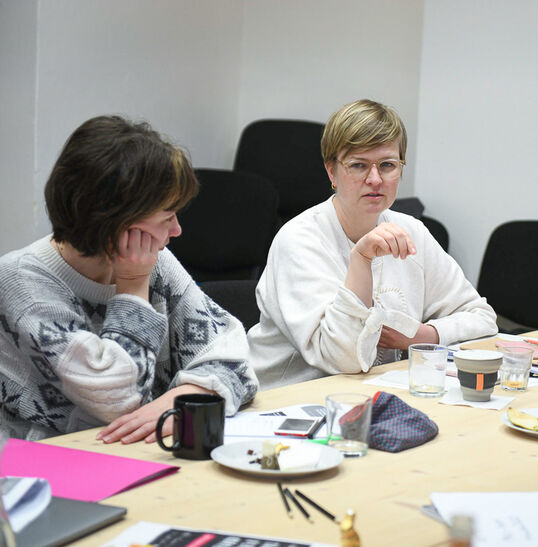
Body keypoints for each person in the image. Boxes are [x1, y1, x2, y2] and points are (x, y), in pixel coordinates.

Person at [0, 115, 258, 443]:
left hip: (137, 453)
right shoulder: (22, 284)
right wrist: (134, 286)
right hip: (45, 466)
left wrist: (180, 399)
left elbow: (235, 356)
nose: (177, 230)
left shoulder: (156, 261)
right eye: (167, 216)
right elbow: (117, 401)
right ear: (116, 220)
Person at [248, 99, 497, 388]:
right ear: (332, 172)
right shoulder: (300, 240)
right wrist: (361, 259)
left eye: (388, 165)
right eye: (358, 165)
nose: (375, 179)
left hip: (375, 393)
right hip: (286, 402)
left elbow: (482, 317)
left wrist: (422, 336)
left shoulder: (411, 231)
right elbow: (344, 359)